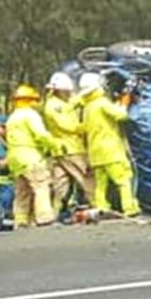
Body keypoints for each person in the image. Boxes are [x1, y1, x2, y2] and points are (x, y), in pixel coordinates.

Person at [79, 72, 142, 219]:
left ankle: (101, 208)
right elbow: (121, 115)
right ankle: (130, 208)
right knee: (123, 180)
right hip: (112, 151)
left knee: (101, 185)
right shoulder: (102, 103)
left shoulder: (88, 107)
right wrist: (125, 102)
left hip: (95, 153)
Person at [5, 84, 61, 228]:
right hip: (30, 157)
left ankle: (20, 220)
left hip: (15, 159)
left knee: (22, 192)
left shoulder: (12, 118)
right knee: (41, 186)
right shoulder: (30, 115)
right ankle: (45, 218)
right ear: (30, 100)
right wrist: (55, 145)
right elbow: (41, 135)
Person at [43, 72, 93, 217]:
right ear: (59, 90)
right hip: (70, 148)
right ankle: (98, 205)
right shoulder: (54, 107)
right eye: (67, 91)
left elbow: (73, 103)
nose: (69, 93)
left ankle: (56, 212)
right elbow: (67, 125)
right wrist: (86, 126)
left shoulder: (62, 102)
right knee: (86, 177)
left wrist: (86, 94)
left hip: (60, 150)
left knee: (61, 183)